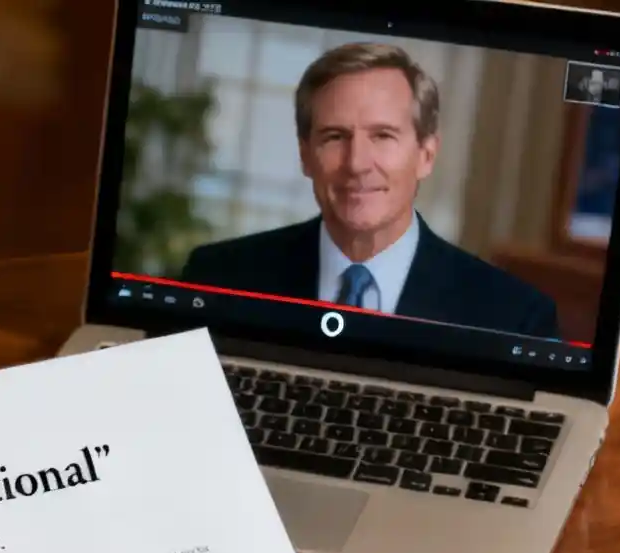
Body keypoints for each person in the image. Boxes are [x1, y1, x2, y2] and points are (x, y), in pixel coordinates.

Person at [179, 42, 561, 338]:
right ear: (305, 156)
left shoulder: (514, 317)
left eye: (383, 135)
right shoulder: (217, 277)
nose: (357, 162)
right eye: (334, 136)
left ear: (426, 155)